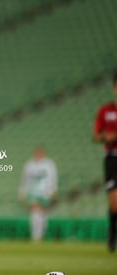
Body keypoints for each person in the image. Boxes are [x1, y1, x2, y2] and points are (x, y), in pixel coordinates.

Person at [93, 73, 117, 252]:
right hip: (111, 158)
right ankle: (112, 233)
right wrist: (105, 137)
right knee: (114, 204)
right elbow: (95, 135)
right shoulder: (105, 111)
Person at [18, 146, 58, 242]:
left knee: (42, 215)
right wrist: (22, 193)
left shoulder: (49, 164)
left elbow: (53, 178)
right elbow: (25, 180)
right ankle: (36, 236)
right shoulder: (29, 165)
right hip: (34, 193)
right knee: (35, 213)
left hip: (45, 193)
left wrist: (53, 190)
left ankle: (40, 234)